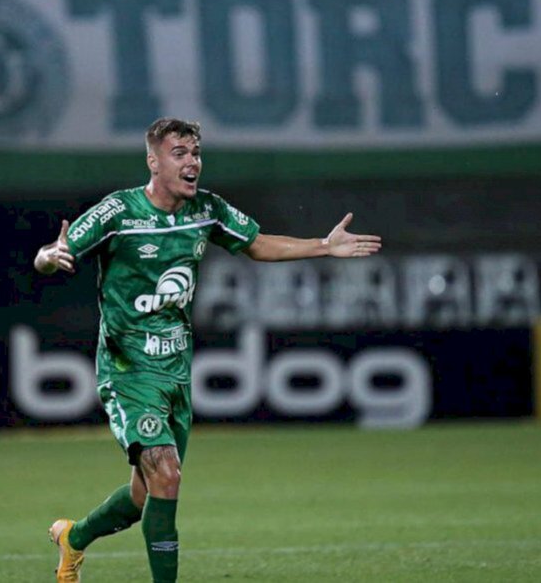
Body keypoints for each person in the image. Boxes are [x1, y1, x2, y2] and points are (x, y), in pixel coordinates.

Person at [33, 117, 382, 582]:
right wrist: (48, 257)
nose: (192, 162)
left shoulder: (207, 210)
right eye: (179, 153)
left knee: (145, 497)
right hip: (128, 369)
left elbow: (257, 245)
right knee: (168, 476)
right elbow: (53, 251)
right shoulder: (119, 212)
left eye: (196, 153)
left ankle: (73, 538)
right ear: (153, 161)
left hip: (176, 372)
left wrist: (323, 245)